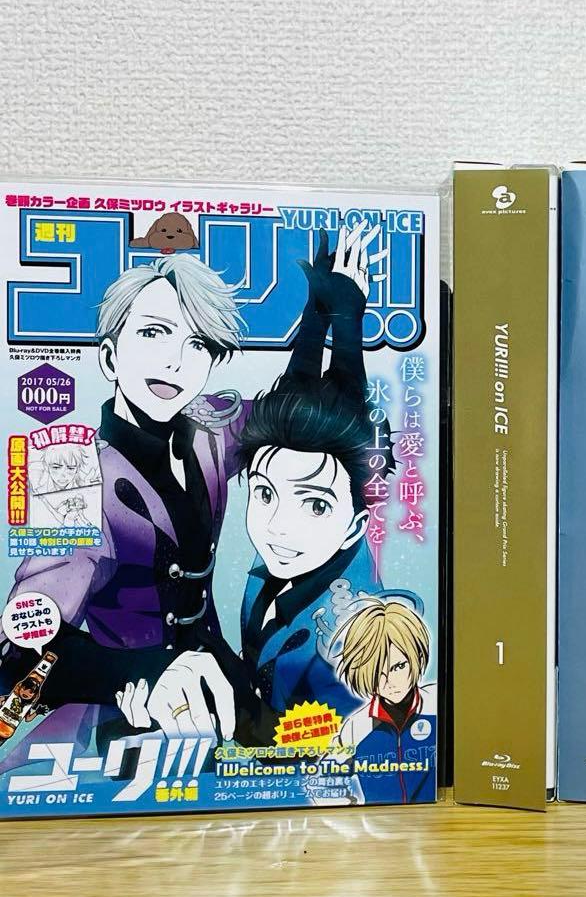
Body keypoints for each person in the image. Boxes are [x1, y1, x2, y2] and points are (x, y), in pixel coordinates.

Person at [0, 226, 373, 759]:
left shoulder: (210, 427)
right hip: (126, 710)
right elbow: (23, 648)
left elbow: (309, 425)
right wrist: (149, 674)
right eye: (153, 333)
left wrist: (329, 314)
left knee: (328, 751)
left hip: (228, 689)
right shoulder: (71, 475)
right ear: (110, 358)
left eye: (196, 343)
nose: (175, 360)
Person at [236, 222, 392, 741]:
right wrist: (323, 311)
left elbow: (324, 741)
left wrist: (345, 319)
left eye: (316, 506)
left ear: (355, 527)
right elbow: (319, 405)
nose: (279, 525)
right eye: (264, 494)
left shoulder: (353, 628)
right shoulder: (280, 561)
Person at [328, 596, 436, 805]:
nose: (390, 682)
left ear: (418, 657)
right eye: (378, 673)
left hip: (435, 815)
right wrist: (350, 811)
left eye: (398, 667)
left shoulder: (437, 705)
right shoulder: (356, 727)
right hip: (379, 820)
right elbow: (326, 776)